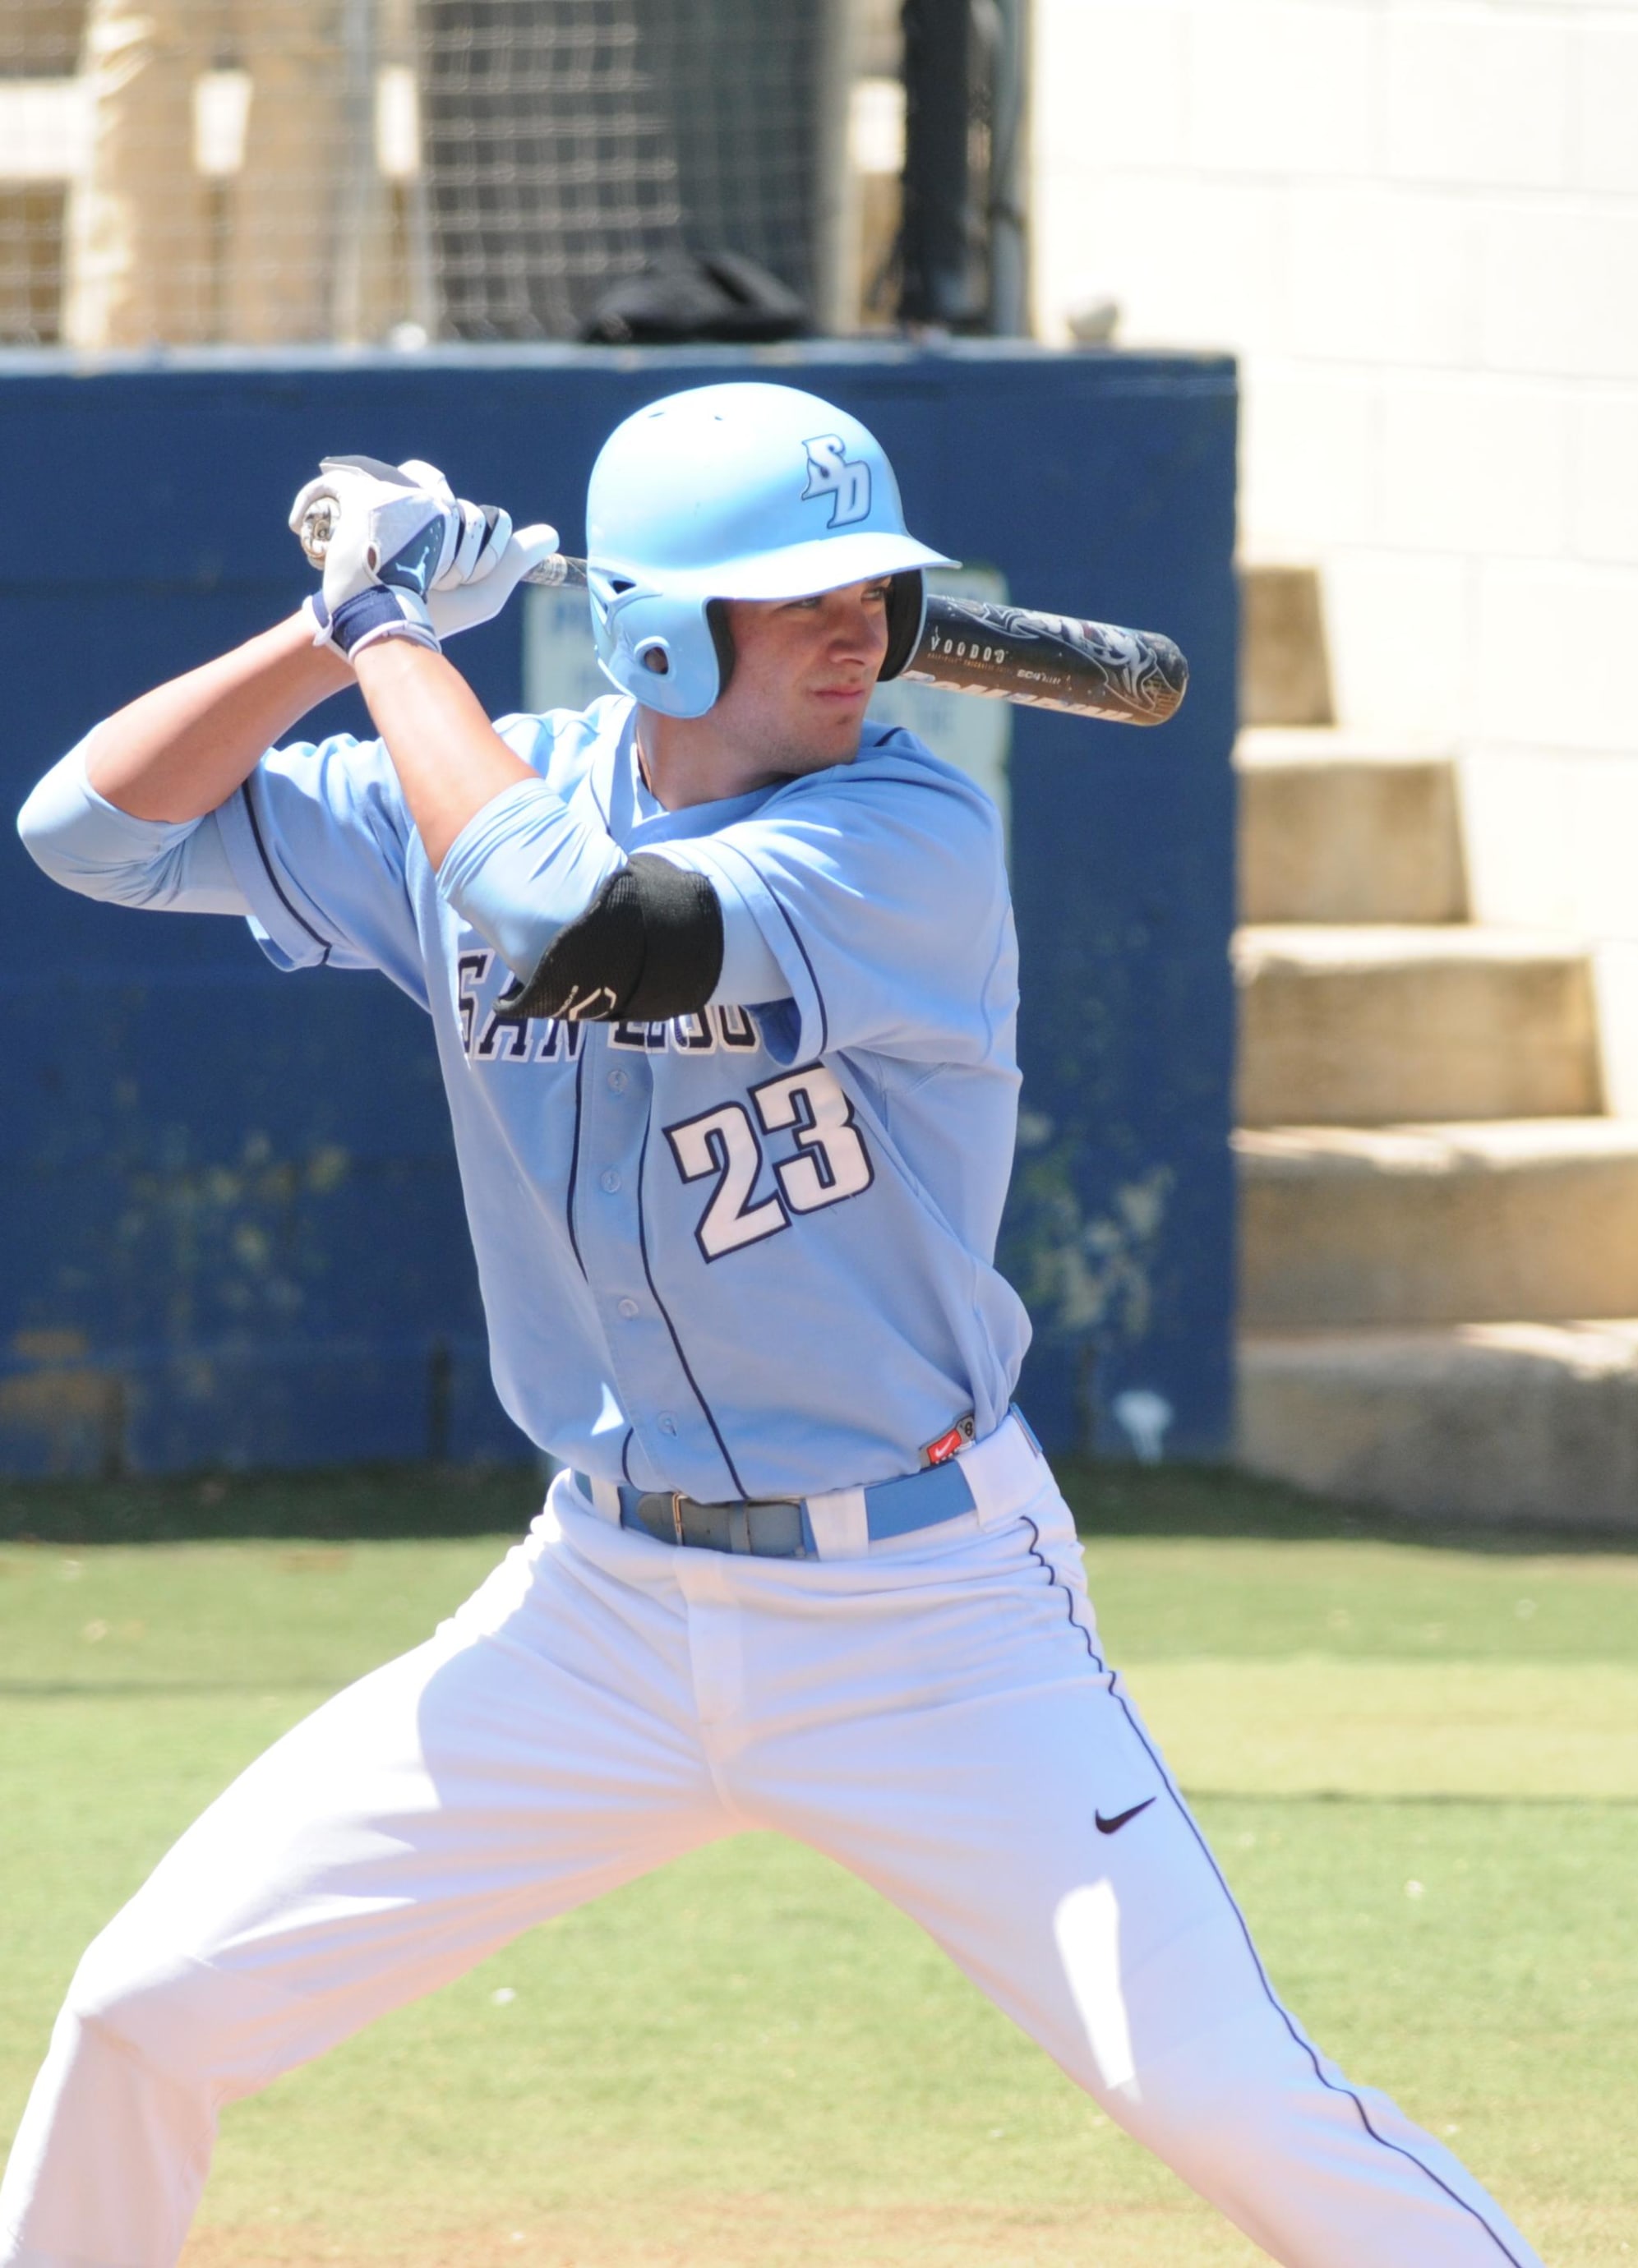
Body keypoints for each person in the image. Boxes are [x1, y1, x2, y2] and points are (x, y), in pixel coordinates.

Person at [5, 382, 1543, 2268]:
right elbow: (85, 825)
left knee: (1224, 2095)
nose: (859, 628)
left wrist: (399, 631)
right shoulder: (485, 785)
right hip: (598, 1618)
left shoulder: (907, 832)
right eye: (797, 593)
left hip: (928, 1621)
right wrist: (330, 625)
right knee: (143, 2010)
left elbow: (582, 926)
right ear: (657, 627)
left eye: (873, 589)